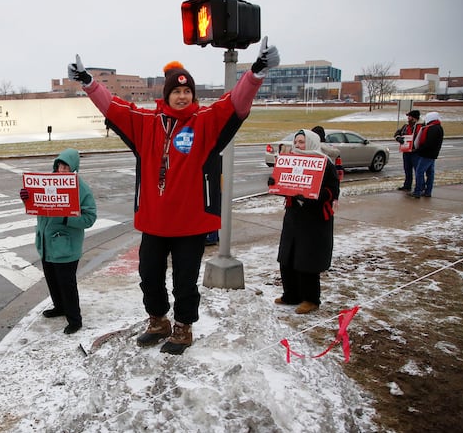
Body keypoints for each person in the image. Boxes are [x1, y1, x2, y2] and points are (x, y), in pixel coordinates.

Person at [68, 36, 280, 354]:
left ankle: (183, 327)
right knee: (148, 276)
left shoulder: (205, 122)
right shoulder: (147, 122)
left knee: (185, 282)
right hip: (154, 223)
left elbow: (235, 103)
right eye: (176, 91)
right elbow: (114, 107)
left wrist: (256, 72)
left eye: (187, 91)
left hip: (191, 225)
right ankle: (158, 321)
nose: (182, 96)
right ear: (167, 95)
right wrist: (88, 82)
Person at [19, 148, 97, 334]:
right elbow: (38, 207)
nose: (62, 171)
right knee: (53, 281)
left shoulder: (81, 187)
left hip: (66, 248)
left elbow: (90, 218)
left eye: (66, 167)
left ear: (74, 169)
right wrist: (27, 199)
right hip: (46, 245)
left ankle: (74, 319)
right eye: (60, 166)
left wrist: (66, 218)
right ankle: (59, 307)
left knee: (67, 284)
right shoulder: (46, 183)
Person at [270, 129, 339, 314]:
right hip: (294, 217)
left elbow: (333, 190)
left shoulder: (325, 163)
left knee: (307, 260)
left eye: (302, 142)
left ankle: (311, 299)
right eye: (296, 142)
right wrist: (275, 183)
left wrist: (313, 195)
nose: (298, 146)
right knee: (287, 257)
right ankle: (291, 294)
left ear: (311, 143)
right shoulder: (290, 159)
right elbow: (283, 182)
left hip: (314, 220)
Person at [411, 111, 444, 198]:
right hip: (432, 154)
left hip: (427, 154)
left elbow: (429, 143)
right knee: (430, 173)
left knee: (419, 172)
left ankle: (417, 191)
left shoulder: (433, 128)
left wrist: (418, 150)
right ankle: (428, 191)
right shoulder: (438, 127)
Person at [394, 110, 422, 192]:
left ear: (414, 118)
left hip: (415, 152)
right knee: (407, 169)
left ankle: (419, 187)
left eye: (409, 116)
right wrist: (398, 138)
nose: (408, 118)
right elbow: (397, 134)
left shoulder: (420, 126)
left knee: (418, 171)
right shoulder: (406, 126)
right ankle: (407, 185)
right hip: (406, 151)